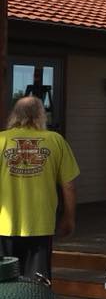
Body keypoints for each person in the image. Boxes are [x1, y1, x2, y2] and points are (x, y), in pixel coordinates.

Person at [0, 96, 79, 280]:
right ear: (41, 116)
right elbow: (69, 186)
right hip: (40, 225)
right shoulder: (56, 141)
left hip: (3, 227)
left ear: (15, 115)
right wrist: (69, 218)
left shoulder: (1, 140)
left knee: (4, 283)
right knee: (38, 285)